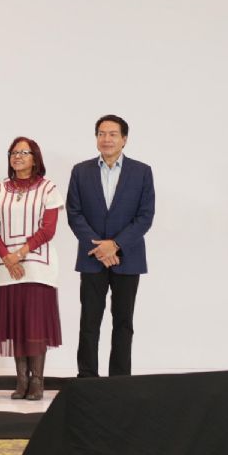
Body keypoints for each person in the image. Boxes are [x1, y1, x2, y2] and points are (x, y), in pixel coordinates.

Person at [67, 114, 155, 377]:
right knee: (89, 322)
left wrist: (115, 245)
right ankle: (87, 379)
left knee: (124, 322)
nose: (106, 139)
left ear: (124, 139)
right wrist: (100, 248)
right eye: (101, 134)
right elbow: (75, 213)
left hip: (128, 258)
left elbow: (145, 216)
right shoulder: (81, 171)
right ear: (96, 138)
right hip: (92, 258)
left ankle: (119, 381)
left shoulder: (141, 172)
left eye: (113, 134)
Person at [0, 137, 64, 400]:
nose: (17, 156)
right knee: (15, 324)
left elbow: (49, 229)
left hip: (36, 266)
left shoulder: (48, 188)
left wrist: (20, 253)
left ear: (35, 158)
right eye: (13, 152)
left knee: (35, 325)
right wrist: (7, 256)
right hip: (6, 266)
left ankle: (38, 382)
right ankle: (21, 382)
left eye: (24, 152)